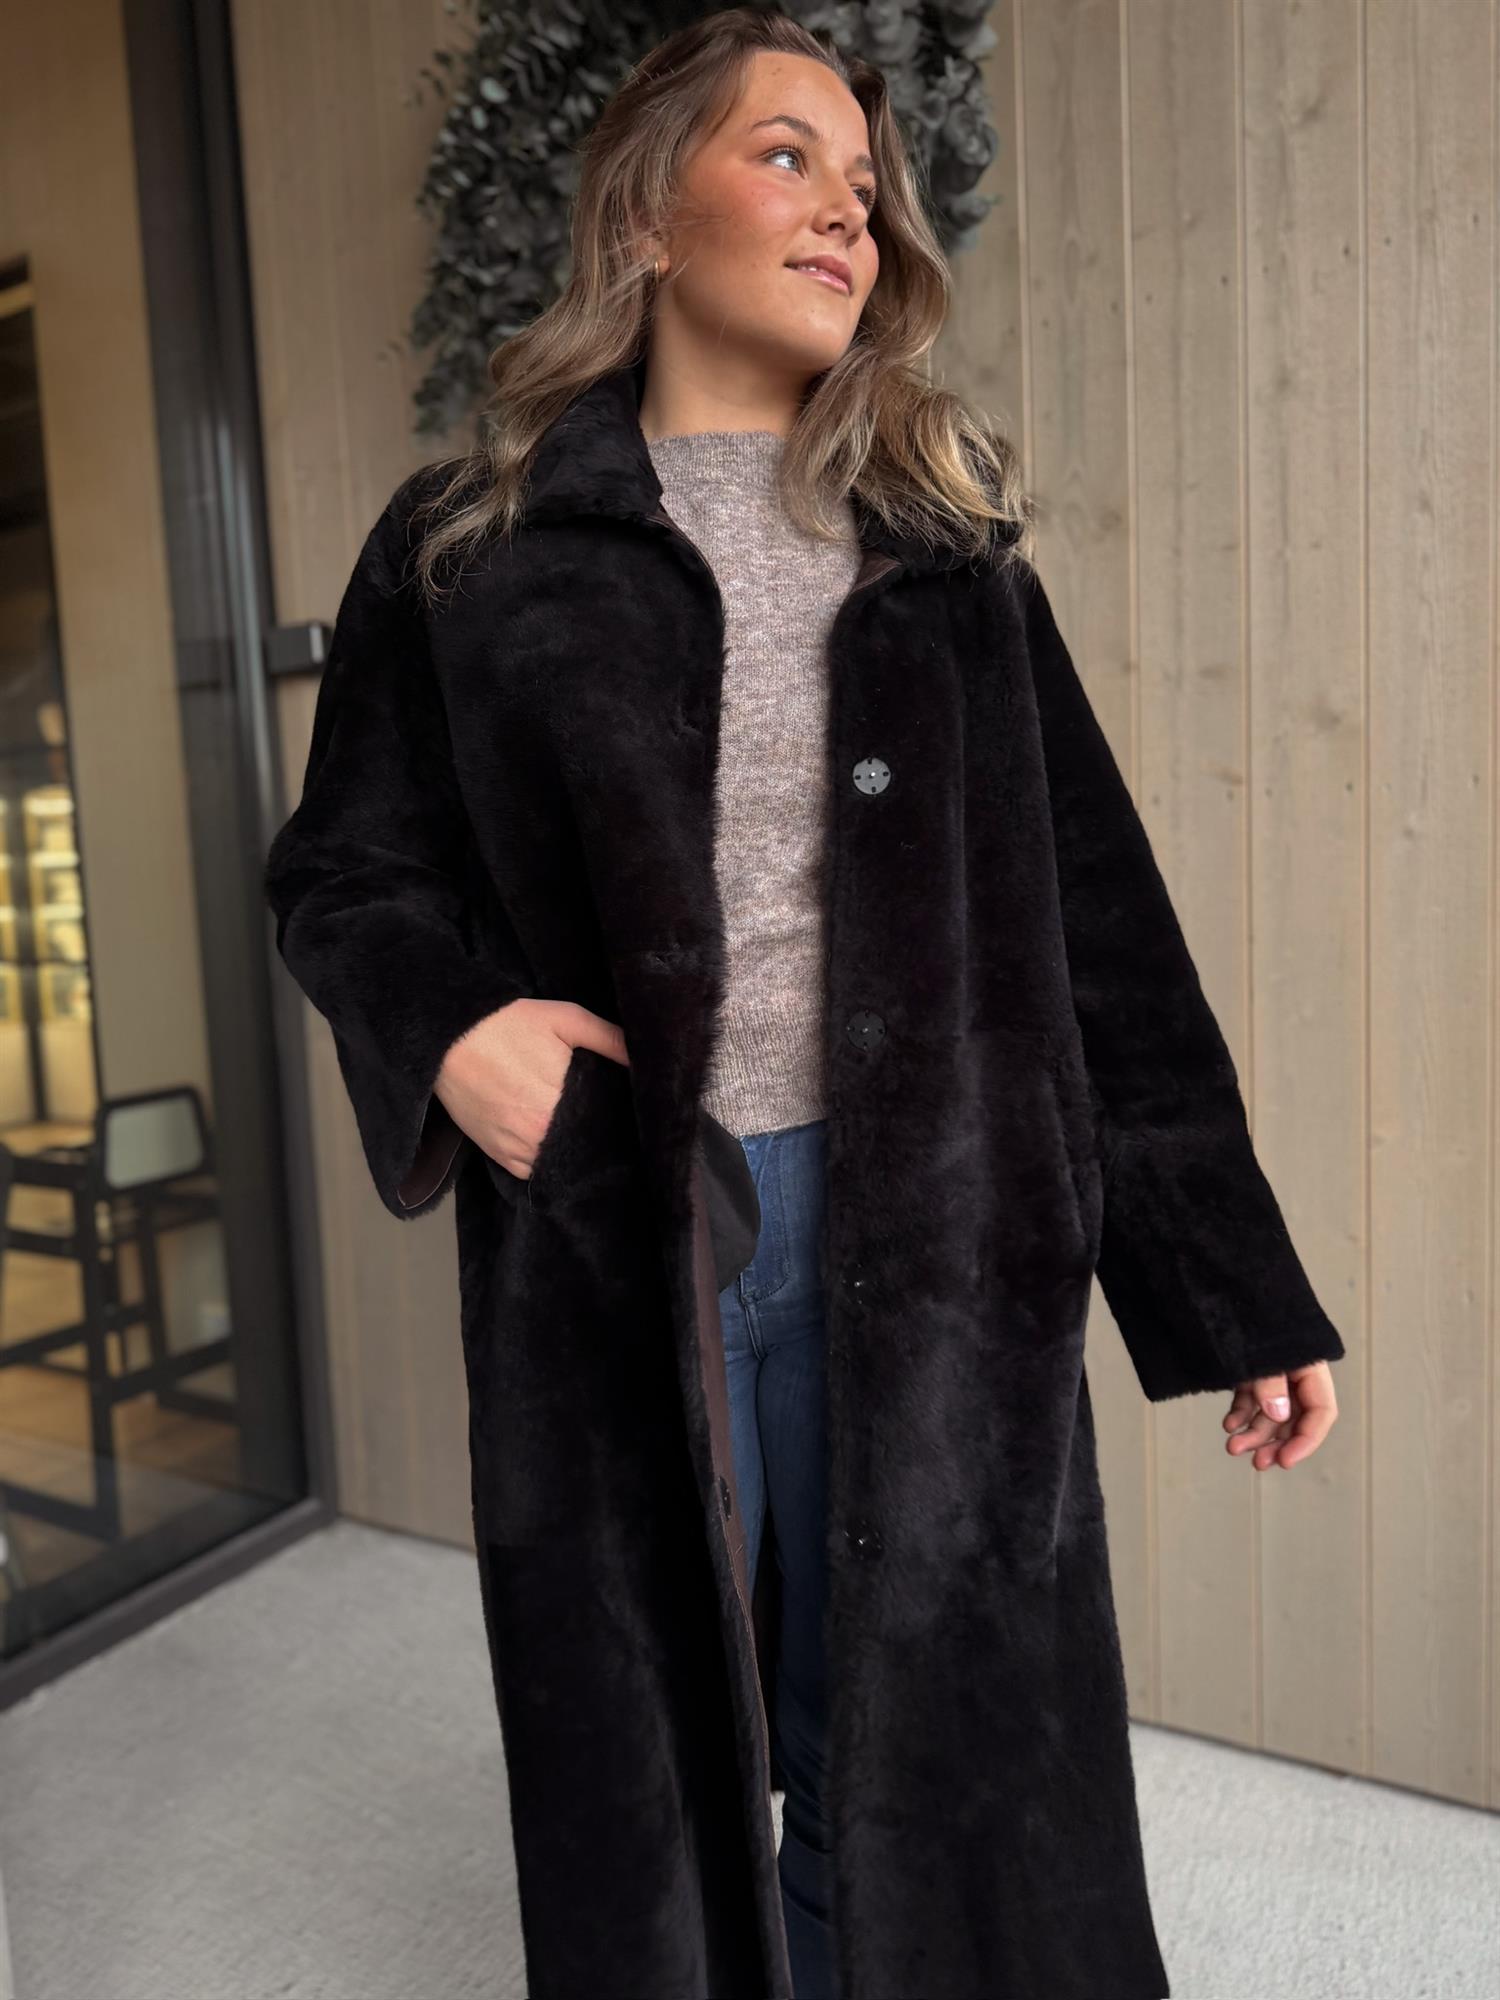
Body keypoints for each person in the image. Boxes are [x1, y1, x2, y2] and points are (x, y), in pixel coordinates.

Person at [264, 10, 1344, 1996]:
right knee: (658, 1772)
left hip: (937, 1244)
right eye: (786, 158)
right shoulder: (469, 546)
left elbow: (1098, 930)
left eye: (864, 184)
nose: (848, 212)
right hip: (629, 1232)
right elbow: (344, 870)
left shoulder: (945, 552)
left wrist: (1233, 1287)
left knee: (922, 1764)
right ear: (643, 215)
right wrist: (459, 1035)